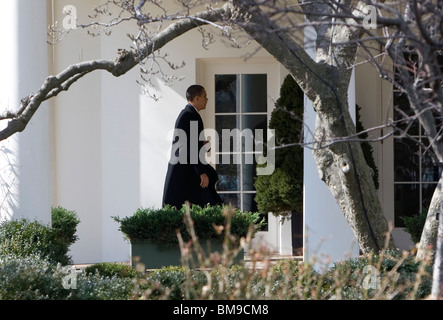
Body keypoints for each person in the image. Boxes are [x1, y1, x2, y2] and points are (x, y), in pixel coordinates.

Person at [162, 85, 222, 209]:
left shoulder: (189, 114)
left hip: (187, 169)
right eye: (204, 96)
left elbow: (191, 143)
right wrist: (202, 172)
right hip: (185, 171)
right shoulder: (189, 115)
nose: (207, 99)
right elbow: (189, 146)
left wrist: (203, 145)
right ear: (196, 98)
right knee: (205, 202)